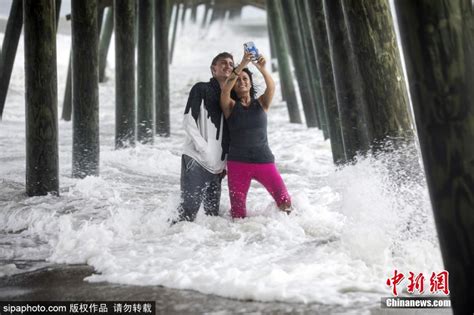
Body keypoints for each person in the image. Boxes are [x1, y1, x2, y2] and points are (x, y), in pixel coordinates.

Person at [220, 51, 292, 219]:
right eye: (237, 80)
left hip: (264, 161)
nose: (241, 82)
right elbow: (224, 92)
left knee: (285, 202)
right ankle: (241, 240)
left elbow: (272, 87)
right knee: (238, 214)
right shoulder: (229, 106)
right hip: (238, 163)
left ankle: (291, 236)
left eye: (245, 79)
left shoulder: (261, 103)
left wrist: (261, 68)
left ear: (251, 84)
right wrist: (243, 64)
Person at [175, 52, 234, 222]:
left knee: (212, 217)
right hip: (196, 160)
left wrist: (226, 162)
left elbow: (233, 132)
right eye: (223, 63)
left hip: (218, 168)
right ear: (213, 69)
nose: (228, 66)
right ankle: (161, 240)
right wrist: (205, 150)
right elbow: (188, 121)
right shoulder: (201, 88)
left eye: (231, 63)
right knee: (188, 213)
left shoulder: (232, 98)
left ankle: (201, 249)